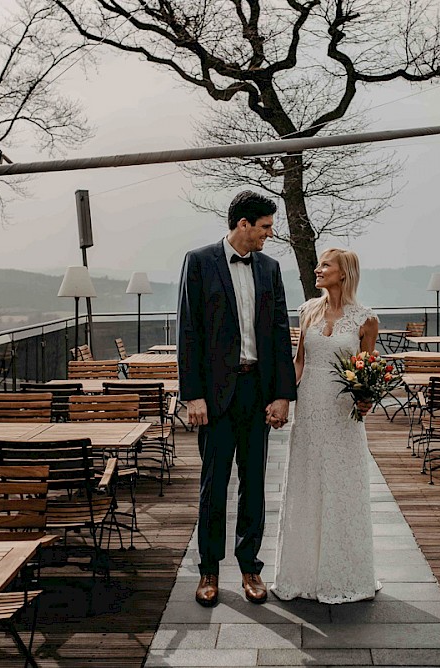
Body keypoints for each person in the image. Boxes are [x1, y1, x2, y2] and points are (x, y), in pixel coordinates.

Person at [177, 190, 297, 608]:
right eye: (264, 227)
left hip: (256, 391)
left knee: (255, 484)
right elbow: (188, 333)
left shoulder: (270, 268)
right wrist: (192, 395)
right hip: (214, 397)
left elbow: (281, 333)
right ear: (243, 224)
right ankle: (209, 569)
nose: (269, 234)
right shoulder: (199, 261)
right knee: (213, 486)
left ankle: (251, 569)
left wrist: (283, 395)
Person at [272, 247, 381, 604]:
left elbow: (367, 369)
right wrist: (284, 399)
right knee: (307, 482)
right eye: (318, 264)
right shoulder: (307, 311)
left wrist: (367, 397)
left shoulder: (366, 319)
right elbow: (299, 361)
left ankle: (344, 573)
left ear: (344, 273)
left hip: (343, 413)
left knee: (341, 486)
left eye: (325, 265)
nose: (317, 269)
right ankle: (302, 573)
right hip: (311, 408)